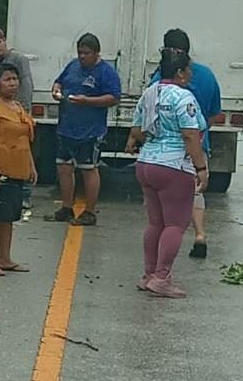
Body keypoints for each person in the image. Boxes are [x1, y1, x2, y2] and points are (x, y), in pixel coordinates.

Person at [126, 48, 209, 298]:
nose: (191, 75)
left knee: (155, 222)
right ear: (180, 73)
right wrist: (201, 167)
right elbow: (190, 135)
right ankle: (162, 277)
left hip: (147, 162)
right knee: (176, 223)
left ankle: (149, 274)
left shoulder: (149, 94)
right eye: (188, 71)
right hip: (174, 165)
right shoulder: (184, 98)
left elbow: (137, 130)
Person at [148, 28, 222, 259]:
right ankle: (200, 234)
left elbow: (150, 112)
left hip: (164, 151)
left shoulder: (159, 77)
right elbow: (213, 114)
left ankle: (160, 264)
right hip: (198, 145)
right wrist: (198, 129)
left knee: (165, 208)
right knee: (196, 191)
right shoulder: (207, 75)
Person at [45, 33, 121, 226]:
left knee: (88, 169)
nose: (82, 56)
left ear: (96, 53)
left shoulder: (106, 72)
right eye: (80, 52)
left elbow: (113, 97)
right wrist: (56, 90)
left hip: (90, 131)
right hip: (66, 127)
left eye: (86, 53)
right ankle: (66, 207)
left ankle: (89, 211)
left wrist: (87, 101)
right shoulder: (72, 66)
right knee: (64, 167)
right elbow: (59, 81)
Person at [0, 62, 37, 276]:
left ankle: (5, 258)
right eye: (7, 79)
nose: (13, 83)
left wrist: (31, 165)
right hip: (0, 170)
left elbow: (24, 138)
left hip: (17, 169)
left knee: (9, 216)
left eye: (15, 79)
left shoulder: (18, 107)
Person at [0, 27, 35, 210]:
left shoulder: (18, 59)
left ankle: (25, 193)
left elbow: (26, 83)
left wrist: (24, 110)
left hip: (19, 110)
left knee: (23, 145)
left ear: (5, 41)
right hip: (3, 114)